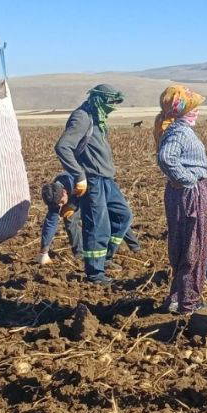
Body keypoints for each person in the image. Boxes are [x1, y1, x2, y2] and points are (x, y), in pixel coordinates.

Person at [54, 84, 133, 284]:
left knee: (123, 216)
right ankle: (95, 273)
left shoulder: (99, 117)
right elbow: (63, 146)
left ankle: (105, 257)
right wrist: (79, 175)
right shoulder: (82, 117)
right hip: (94, 180)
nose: (114, 106)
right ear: (99, 100)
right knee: (98, 226)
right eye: (111, 102)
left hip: (107, 179)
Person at [155, 85, 207, 314]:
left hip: (182, 192)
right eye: (193, 109)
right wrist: (189, 179)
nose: (197, 113)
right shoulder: (180, 132)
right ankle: (189, 302)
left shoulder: (174, 130)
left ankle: (177, 298)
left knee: (182, 243)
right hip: (190, 193)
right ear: (181, 112)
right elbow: (166, 158)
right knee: (195, 245)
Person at [38, 174, 83, 263]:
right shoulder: (54, 197)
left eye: (62, 202)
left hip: (86, 190)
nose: (61, 205)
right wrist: (44, 250)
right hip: (71, 196)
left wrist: (72, 206)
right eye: (59, 204)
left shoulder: (75, 182)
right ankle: (80, 255)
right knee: (70, 220)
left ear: (64, 192)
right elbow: (50, 222)